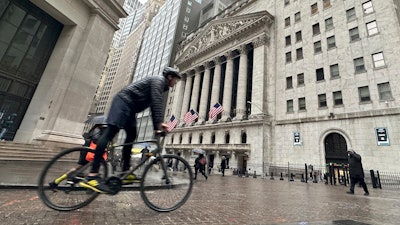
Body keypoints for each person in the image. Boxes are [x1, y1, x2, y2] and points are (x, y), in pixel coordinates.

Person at [79, 67, 182, 193]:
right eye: (175, 79)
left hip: (130, 108)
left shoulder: (161, 85)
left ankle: (125, 171)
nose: (176, 82)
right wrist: (160, 122)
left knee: (132, 135)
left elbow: (152, 107)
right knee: (109, 133)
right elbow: (157, 101)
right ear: (169, 77)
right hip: (123, 102)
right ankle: (92, 176)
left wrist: (156, 128)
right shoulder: (158, 80)